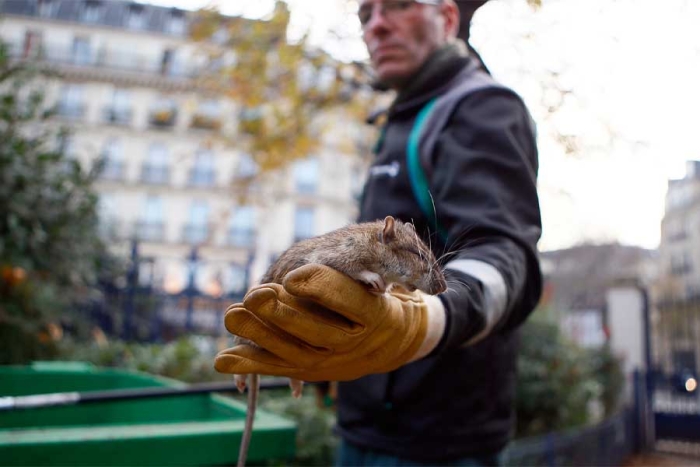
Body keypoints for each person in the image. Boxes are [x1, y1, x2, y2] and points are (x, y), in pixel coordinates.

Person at [215, 0, 542, 465]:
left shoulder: (482, 107)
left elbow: (503, 253)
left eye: (400, 5)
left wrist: (425, 322)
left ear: (448, 18)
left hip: (438, 439)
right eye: (365, 14)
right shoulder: (397, 118)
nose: (377, 25)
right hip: (363, 423)